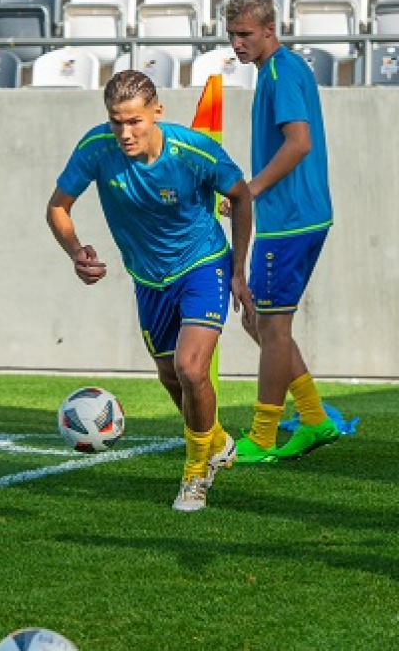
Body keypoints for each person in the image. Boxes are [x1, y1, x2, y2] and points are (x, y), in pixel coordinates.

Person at [46, 70, 254, 511]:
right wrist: (74, 251)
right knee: (170, 376)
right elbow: (58, 207)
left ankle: (196, 473)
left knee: (192, 368)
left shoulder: (192, 151)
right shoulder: (95, 148)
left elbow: (240, 195)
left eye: (135, 121)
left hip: (202, 263)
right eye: (116, 121)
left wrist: (237, 269)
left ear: (157, 112)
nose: (125, 132)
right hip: (148, 278)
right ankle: (214, 438)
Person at [223, 0, 340, 463]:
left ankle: (264, 435)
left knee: (269, 327)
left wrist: (250, 190)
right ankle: (314, 418)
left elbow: (298, 143)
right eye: (231, 35)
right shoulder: (276, 70)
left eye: (245, 34)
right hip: (291, 217)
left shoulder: (283, 71)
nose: (236, 43)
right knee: (262, 322)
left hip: (291, 220)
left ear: (270, 30)